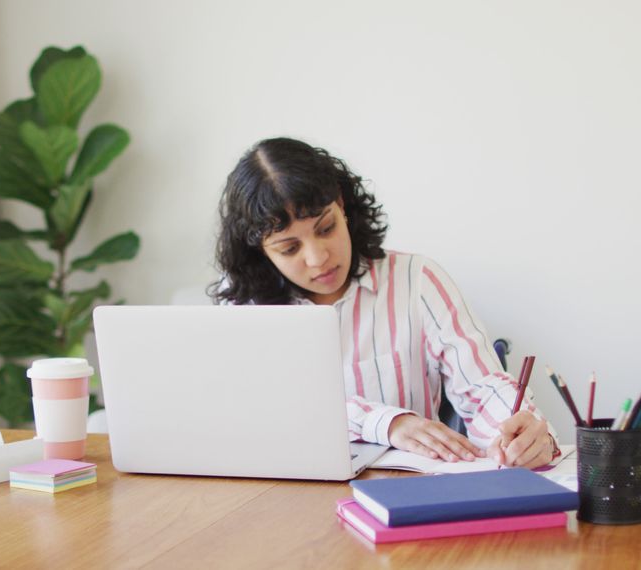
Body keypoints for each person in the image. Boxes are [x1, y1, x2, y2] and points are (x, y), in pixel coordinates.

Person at [210, 137, 558, 469]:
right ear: (260, 251)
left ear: (342, 207)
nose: (318, 258)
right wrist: (387, 424)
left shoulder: (417, 280)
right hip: (289, 501)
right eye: (289, 248)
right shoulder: (245, 307)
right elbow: (265, 412)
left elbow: (482, 387)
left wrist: (523, 433)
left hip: (407, 496)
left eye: (326, 227)